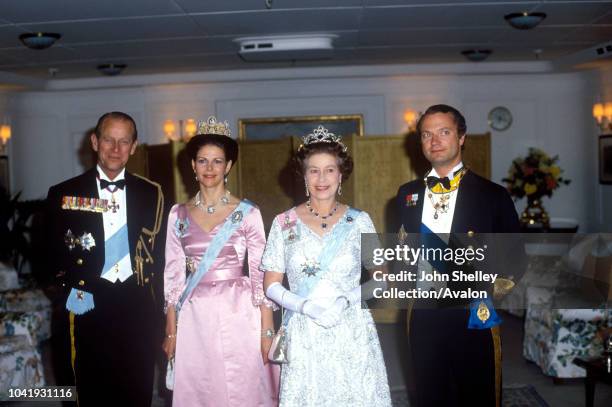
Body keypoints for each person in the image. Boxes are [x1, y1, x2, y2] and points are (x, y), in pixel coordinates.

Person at [396, 104, 521, 407]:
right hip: (423, 313)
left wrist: (488, 295)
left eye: (444, 132)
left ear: (462, 137)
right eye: (426, 134)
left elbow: (515, 258)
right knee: (428, 391)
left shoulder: (493, 195)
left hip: (472, 312)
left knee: (477, 391)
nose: (434, 140)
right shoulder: (407, 194)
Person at [262, 125, 391, 406]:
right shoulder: (283, 223)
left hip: (350, 328)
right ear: (304, 175)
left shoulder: (359, 221)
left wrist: (345, 301)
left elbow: (382, 278)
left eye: (329, 169)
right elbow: (270, 285)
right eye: (314, 170)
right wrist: (306, 307)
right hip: (305, 328)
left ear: (341, 174)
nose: (322, 178)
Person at [46, 111, 165, 406]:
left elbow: (161, 256)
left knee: (137, 387)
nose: (116, 149)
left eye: (124, 142)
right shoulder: (64, 193)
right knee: (88, 388)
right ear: (95, 142)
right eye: (109, 140)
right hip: (87, 301)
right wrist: (67, 289)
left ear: (134, 146)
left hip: (137, 302)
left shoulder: (152, 193)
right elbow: (47, 254)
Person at [162, 116, 279, 406]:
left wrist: (267, 331)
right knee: (202, 388)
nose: (210, 168)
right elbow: (173, 277)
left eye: (217, 161)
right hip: (195, 313)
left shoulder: (248, 213)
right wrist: (171, 331)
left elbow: (260, 275)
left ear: (228, 166)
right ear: (192, 165)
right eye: (203, 161)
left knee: (243, 385)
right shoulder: (178, 215)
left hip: (239, 310)